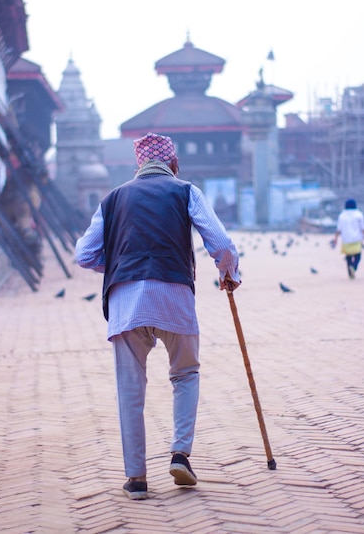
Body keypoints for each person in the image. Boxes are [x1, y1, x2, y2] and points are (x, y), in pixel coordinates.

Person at [75, 132, 240, 500]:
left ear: (138, 167)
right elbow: (221, 243)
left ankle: (136, 478)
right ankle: (180, 453)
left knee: (130, 390)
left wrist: (119, 266)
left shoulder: (112, 199)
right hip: (174, 293)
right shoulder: (185, 191)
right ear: (174, 164)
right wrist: (228, 272)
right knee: (185, 373)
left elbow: (84, 254)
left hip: (125, 301)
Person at [333, 199, 364, 279]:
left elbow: (338, 229)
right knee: (358, 255)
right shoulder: (359, 214)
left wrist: (335, 239)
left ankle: (350, 274)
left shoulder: (342, 215)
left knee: (348, 257)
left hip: (346, 239)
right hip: (357, 238)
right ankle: (354, 267)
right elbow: (363, 228)